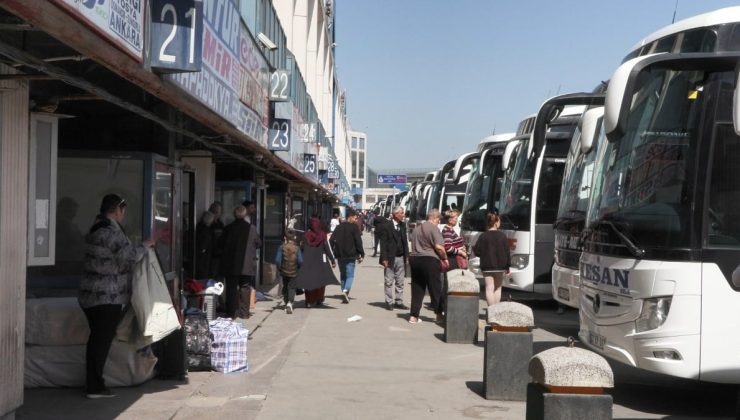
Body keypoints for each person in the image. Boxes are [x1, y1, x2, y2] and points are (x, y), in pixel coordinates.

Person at [79, 193, 154, 398]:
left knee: (97, 340)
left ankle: (93, 382)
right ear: (117, 210)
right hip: (106, 296)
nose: (123, 215)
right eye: (123, 211)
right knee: (100, 341)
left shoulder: (97, 226)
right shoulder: (110, 232)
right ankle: (95, 386)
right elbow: (127, 258)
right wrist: (145, 246)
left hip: (91, 295)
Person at [219, 205, 259, 319]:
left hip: (231, 265)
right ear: (245, 215)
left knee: (231, 288)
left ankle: (231, 313)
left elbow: (220, 243)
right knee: (245, 288)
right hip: (247, 265)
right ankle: (244, 313)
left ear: (234, 215)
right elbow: (259, 243)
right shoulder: (252, 228)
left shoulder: (228, 228)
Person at [408, 209, 447, 324]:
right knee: (435, 288)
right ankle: (439, 315)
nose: (439, 222)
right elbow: (439, 247)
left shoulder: (416, 229)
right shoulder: (434, 229)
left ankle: (413, 316)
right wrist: (444, 257)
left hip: (415, 259)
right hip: (429, 260)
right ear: (434, 218)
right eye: (438, 220)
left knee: (417, 288)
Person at [294, 217, 338, 307]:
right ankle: (319, 298)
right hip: (320, 262)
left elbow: (301, 248)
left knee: (308, 281)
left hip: (307, 261)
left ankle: (309, 301)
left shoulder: (306, 235)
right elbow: (327, 248)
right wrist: (332, 260)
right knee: (320, 281)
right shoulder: (322, 235)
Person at [473, 213, 511, 306]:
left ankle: (490, 310)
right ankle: (496, 311)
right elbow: (507, 252)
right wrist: (507, 266)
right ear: (496, 222)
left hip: (487, 265)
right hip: (500, 266)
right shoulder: (502, 236)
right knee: (498, 288)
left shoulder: (483, 236)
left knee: (489, 288)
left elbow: (477, 251)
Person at [377, 206, 409, 311]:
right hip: (390, 258)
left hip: (400, 257)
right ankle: (389, 302)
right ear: (395, 215)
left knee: (400, 281)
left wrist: (407, 256)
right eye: (401, 213)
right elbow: (383, 243)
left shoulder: (403, 225)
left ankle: (399, 302)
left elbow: (405, 242)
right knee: (389, 281)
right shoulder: (386, 226)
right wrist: (384, 258)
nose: (403, 215)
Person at [329, 210, 364, 303]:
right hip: (351, 255)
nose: (356, 220)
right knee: (350, 275)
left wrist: (332, 252)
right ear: (350, 217)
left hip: (340, 255)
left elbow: (331, 240)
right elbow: (358, 242)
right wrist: (361, 253)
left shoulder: (339, 227)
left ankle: (344, 292)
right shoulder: (354, 227)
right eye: (355, 218)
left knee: (343, 274)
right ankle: (345, 290)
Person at [275, 229, 303, 314]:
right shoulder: (297, 248)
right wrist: (298, 267)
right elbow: (300, 260)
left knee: (285, 285)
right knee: (292, 287)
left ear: (285, 238)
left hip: (284, 270)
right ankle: (290, 303)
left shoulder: (281, 247)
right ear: (294, 237)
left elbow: (277, 260)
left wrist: (279, 268)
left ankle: (286, 301)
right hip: (294, 271)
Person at [194, 211, 215, 279]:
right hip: (204, 257)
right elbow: (203, 246)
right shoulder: (206, 231)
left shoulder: (198, 227)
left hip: (199, 257)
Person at [208, 201, 225, 277]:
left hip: (218, 254)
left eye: (217, 212)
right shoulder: (206, 224)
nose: (215, 214)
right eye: (213, 212)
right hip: (209, 255)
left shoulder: (220, 224)